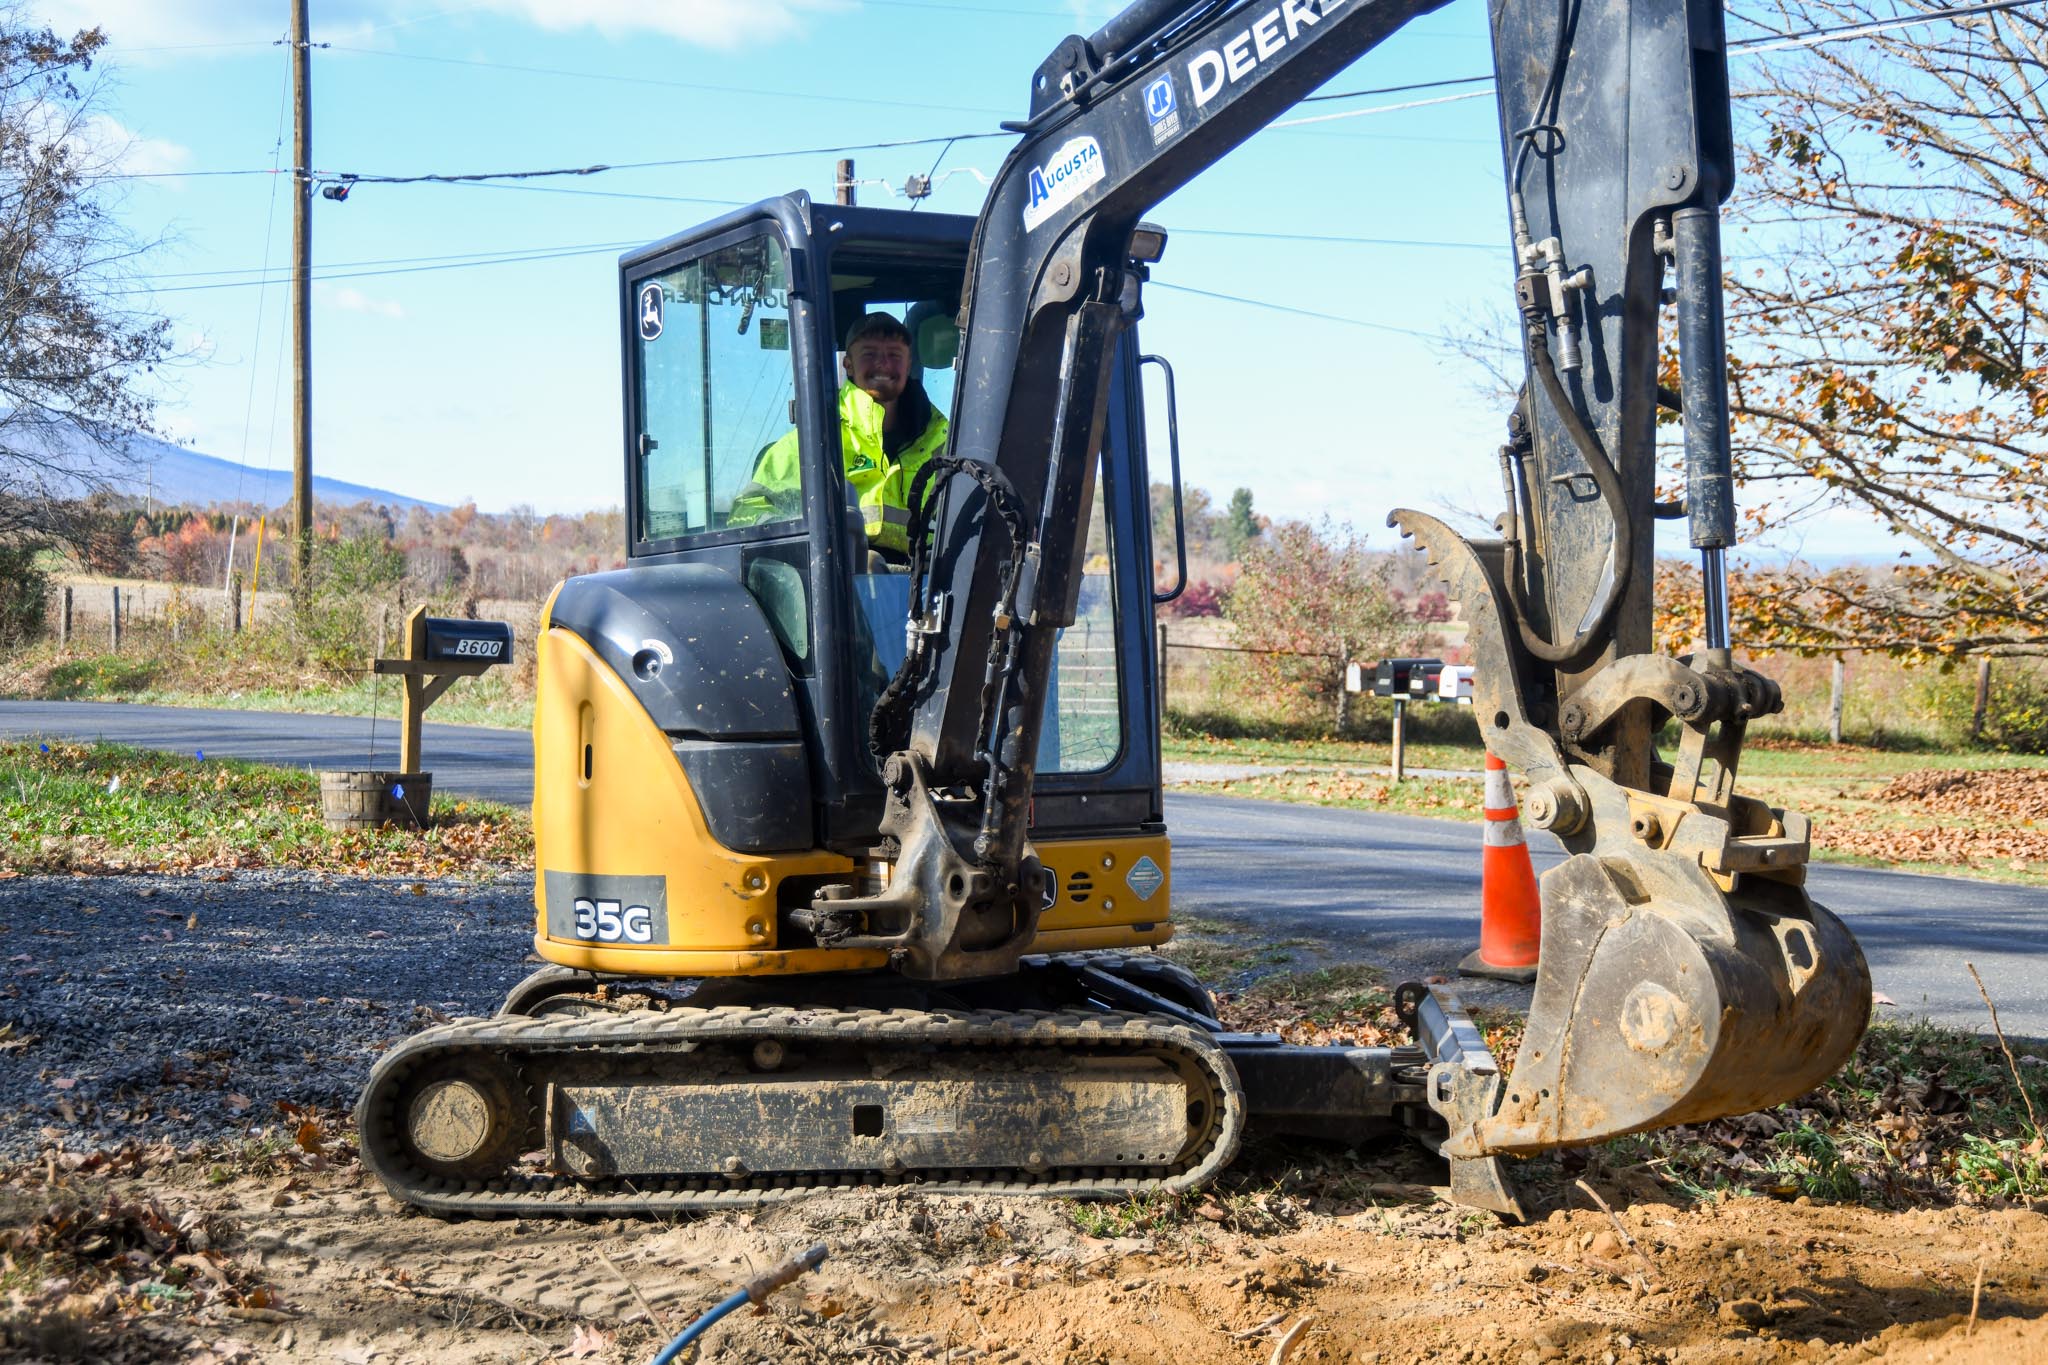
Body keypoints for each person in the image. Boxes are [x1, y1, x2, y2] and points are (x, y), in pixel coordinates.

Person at [728, 312, 949, 558]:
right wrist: (796, 549)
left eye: (894, 355)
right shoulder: (816, 441)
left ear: (908, 365)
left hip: (930, 575)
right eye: (870, 354)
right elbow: (746, 515)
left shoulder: (943, 441)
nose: (883, 364)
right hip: (838, 573)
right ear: (848, 364)